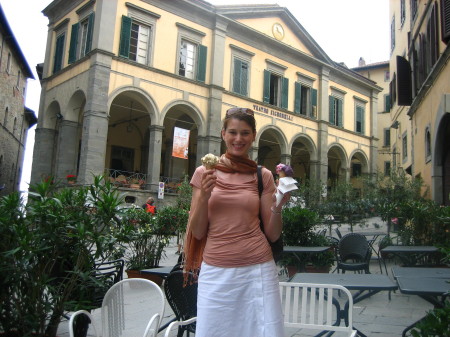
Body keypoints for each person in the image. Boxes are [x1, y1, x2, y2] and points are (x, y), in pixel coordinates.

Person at [183, 107, 290, 337]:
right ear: (223, 134)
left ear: (253, 136)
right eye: (232, 132)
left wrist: (279, 206)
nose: (238, 139)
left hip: (258, 269)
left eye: (245, 133)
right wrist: (204, 195)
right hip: (216, 270)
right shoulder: (204, 172)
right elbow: (198, 231)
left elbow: (272, 235)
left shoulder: (263, 176)